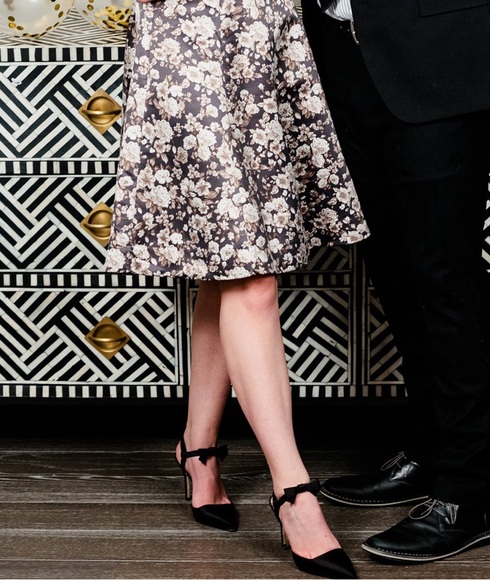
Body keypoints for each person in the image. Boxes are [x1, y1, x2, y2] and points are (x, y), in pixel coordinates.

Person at [105, 0, 369, 578]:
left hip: (267, 35)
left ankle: (198, 449)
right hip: (187, 37)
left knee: (224, 266)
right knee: (252, 279)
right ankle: (294, 493)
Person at [301, 0, 490, 564]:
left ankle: (467, 496)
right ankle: (429, 454)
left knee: (444, 276)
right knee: (393, 271)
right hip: (341, 53)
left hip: (439, 48)